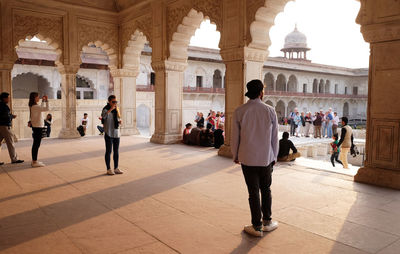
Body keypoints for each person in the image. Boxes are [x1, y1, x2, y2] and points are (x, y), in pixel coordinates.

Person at [231, 79, 279, 237]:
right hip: (266, 158)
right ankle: (267, 222)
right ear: (261, 93)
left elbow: (235, 137)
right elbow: (274, 138)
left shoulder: (240, 111)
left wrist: (235, 154)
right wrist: (275, 156)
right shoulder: (270, 110)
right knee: (266, 190)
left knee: (253, 192)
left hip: (247, 158)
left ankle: (256, 227)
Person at [102, 95, 123, 175]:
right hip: (109, 133)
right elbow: (103, 117)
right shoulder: (105, 109)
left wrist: (119, 122)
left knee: (116, 151)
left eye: (116, 102)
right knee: (108, 151)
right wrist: (110, 109)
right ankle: (108, 169)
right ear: (109, 102)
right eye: (113, 102)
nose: (115, 103)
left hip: (116, 133)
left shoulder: (117, 109)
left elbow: (118, 118)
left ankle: (116, 168)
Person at [0, 92, 24, 165]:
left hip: (0, 126)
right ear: (4, 98)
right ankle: (14, 159)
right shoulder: (4, 106)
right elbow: (6, 116)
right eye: (8, 98)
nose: (9, 99)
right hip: (5, 126)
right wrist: (11, 116)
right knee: (10, 143)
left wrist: (10, 115)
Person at [29, 92, 49, 167]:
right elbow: (46, 109)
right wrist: (46, 101)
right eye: (38, 97)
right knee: (36, 145)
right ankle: (34, 162)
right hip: (38, 127)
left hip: (36, 127)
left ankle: (34, 161)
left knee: (36, 144)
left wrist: (43, 101)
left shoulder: (33, 106)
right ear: (34, 98)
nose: (38, 98)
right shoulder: (35, 106)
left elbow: (40, 108)